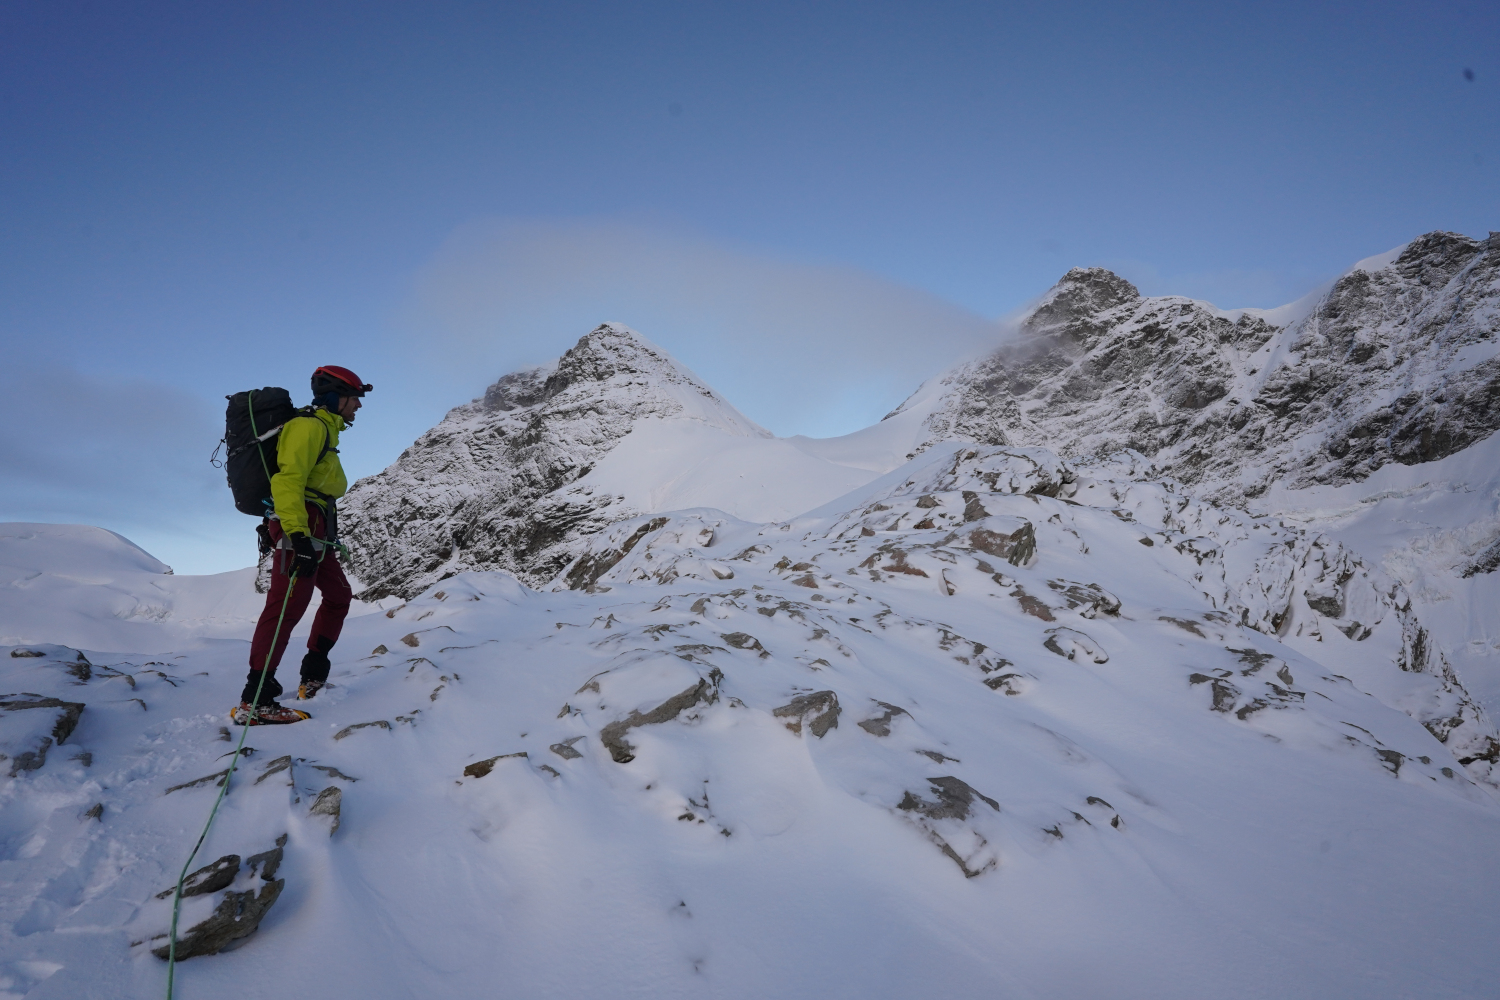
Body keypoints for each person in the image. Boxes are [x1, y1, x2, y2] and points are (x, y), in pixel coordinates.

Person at [232, 366, 372, 725]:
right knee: (285, 608)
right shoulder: (308, 427)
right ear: (334, 396)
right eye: (354, 396)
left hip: (317, 528)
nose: (357, 404)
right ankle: (256, 699)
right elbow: (287, 480)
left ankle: (313, 673)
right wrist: (295, 535)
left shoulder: (324, 429)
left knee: (339, 596)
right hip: (303, 528)